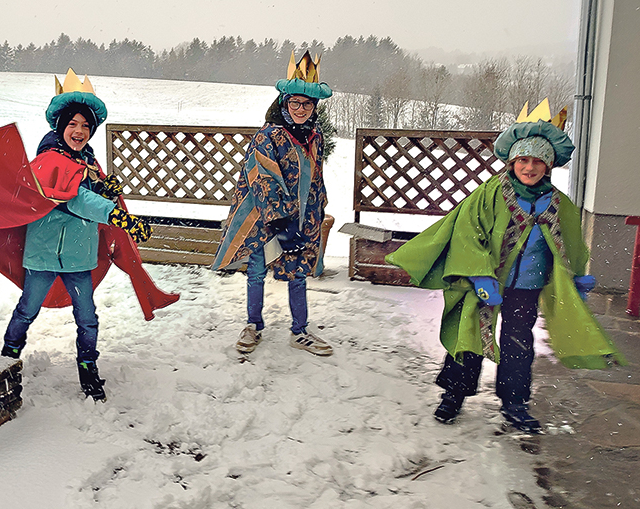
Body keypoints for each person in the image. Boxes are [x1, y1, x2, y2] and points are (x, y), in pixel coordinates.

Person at [386, 100, 623, 433]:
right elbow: (469, 233)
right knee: (470, 337)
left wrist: (577, 278)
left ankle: (515, 403)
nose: (529, 167)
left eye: (538, 161)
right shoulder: (491, 194)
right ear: (512, 161)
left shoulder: (558, 203)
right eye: (523, 159)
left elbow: (570, 242)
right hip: (485, 282)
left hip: (527, 285)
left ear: (548, 165)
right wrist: (480, 275)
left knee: (518, 343)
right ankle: (454, 395)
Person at [0, 69, 162, 402]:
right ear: (60, 127)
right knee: (26, 310)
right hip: (42, 255)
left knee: (87, 318)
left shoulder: (88, 162)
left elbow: (87, 194)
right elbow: (73, 199)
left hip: (79, 256)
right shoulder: (47, 160)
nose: (79, 131)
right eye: (73, 124)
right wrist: (116, 215)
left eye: (85, 126)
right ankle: (7, 358)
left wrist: (105, 191)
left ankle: (88, 367)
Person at [211, 51, 333, 356]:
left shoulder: (314, 137)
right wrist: (281, 223)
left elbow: (315, 178)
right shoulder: (267, 136)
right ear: (284, 103)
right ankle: (253, 325)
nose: (301, 109)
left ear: (314, 107)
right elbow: (263, 179)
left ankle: (299, 331)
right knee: (256, 272)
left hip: (301, 218)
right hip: (264, 219)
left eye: (307, 104)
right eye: (295, 103)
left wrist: (315, 212)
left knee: (298, 274)